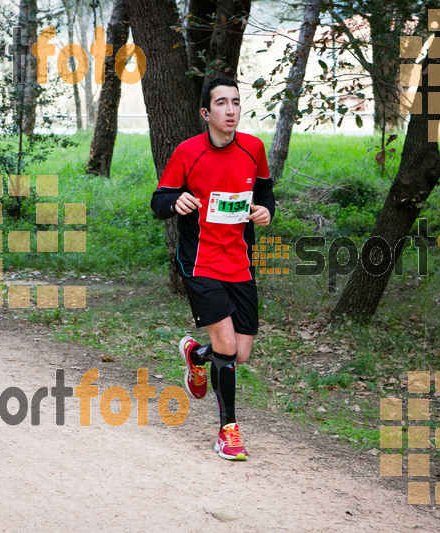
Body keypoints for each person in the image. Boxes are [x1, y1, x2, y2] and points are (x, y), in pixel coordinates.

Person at [150, 77, 275, 461]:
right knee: (227, 345)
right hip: (200, 262)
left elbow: (265, 191)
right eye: (222, 103)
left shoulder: (254, 148)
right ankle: (227, 432)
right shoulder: (189, 152)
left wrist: (266, 211)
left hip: (239, 262)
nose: (231, 110)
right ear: (206, 113)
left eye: (236, 102)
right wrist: (177, 202)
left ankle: (196, 357)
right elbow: (159, 201)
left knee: (240, 354)